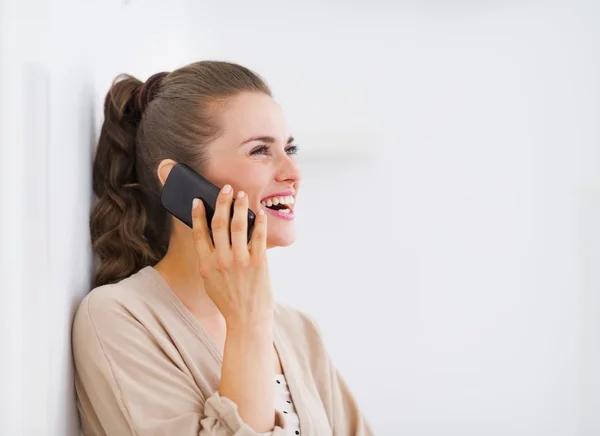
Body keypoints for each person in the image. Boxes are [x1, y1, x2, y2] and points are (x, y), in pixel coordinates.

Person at [71, 61, 373, 436]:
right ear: (181, 181)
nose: (293, 172)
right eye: (261, 150)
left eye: (289, 148)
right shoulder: (120, 319)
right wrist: (247, 324)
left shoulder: (298, 331)